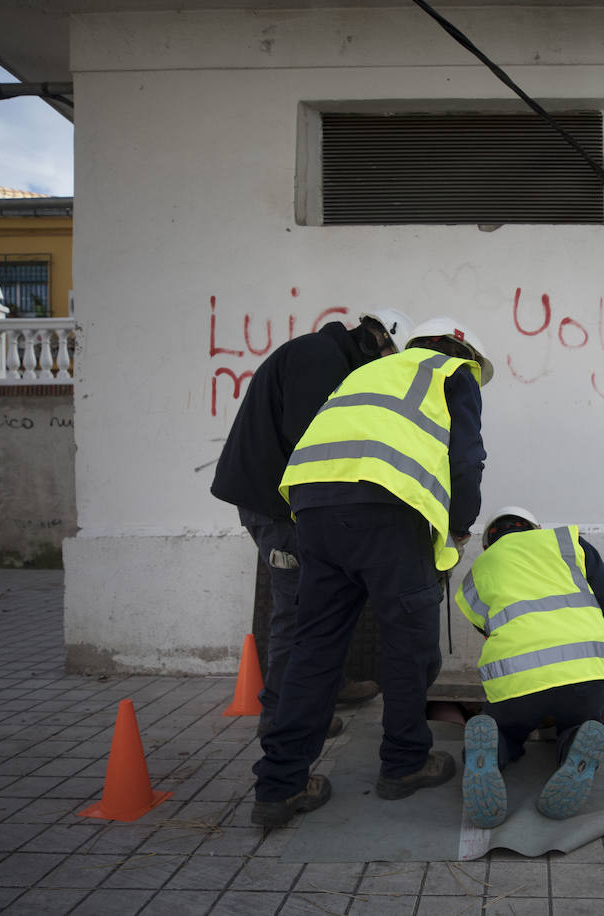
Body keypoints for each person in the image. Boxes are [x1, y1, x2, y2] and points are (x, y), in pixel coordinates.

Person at [250, 317, 493, 829]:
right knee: (409, 644)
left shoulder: (368, 373)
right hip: (386, 509)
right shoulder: (453, 372)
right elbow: (466, 462)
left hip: (312, 503)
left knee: (313, 648)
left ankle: (280, 786)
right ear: (461, 348)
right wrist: (460, 524)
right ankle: (404, 764)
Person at [211, 309, 415, 740]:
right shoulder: (319, 359)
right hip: (277, 505)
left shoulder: (327, 357)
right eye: (388, 360)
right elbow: (312, 441)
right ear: (376, 340)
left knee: (323, 600)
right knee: (298, 607)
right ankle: (285, 717)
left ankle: (328, 687)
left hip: (288, 500)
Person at [454, 507, 604, 828]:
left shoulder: (477, 573)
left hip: (516, 678)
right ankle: (575, 747)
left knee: (505, 729)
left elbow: (492, 631)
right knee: (584, 721)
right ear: (537, 528)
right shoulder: (568, 544)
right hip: (586, 670)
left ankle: (489, 753)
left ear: (487, 546)